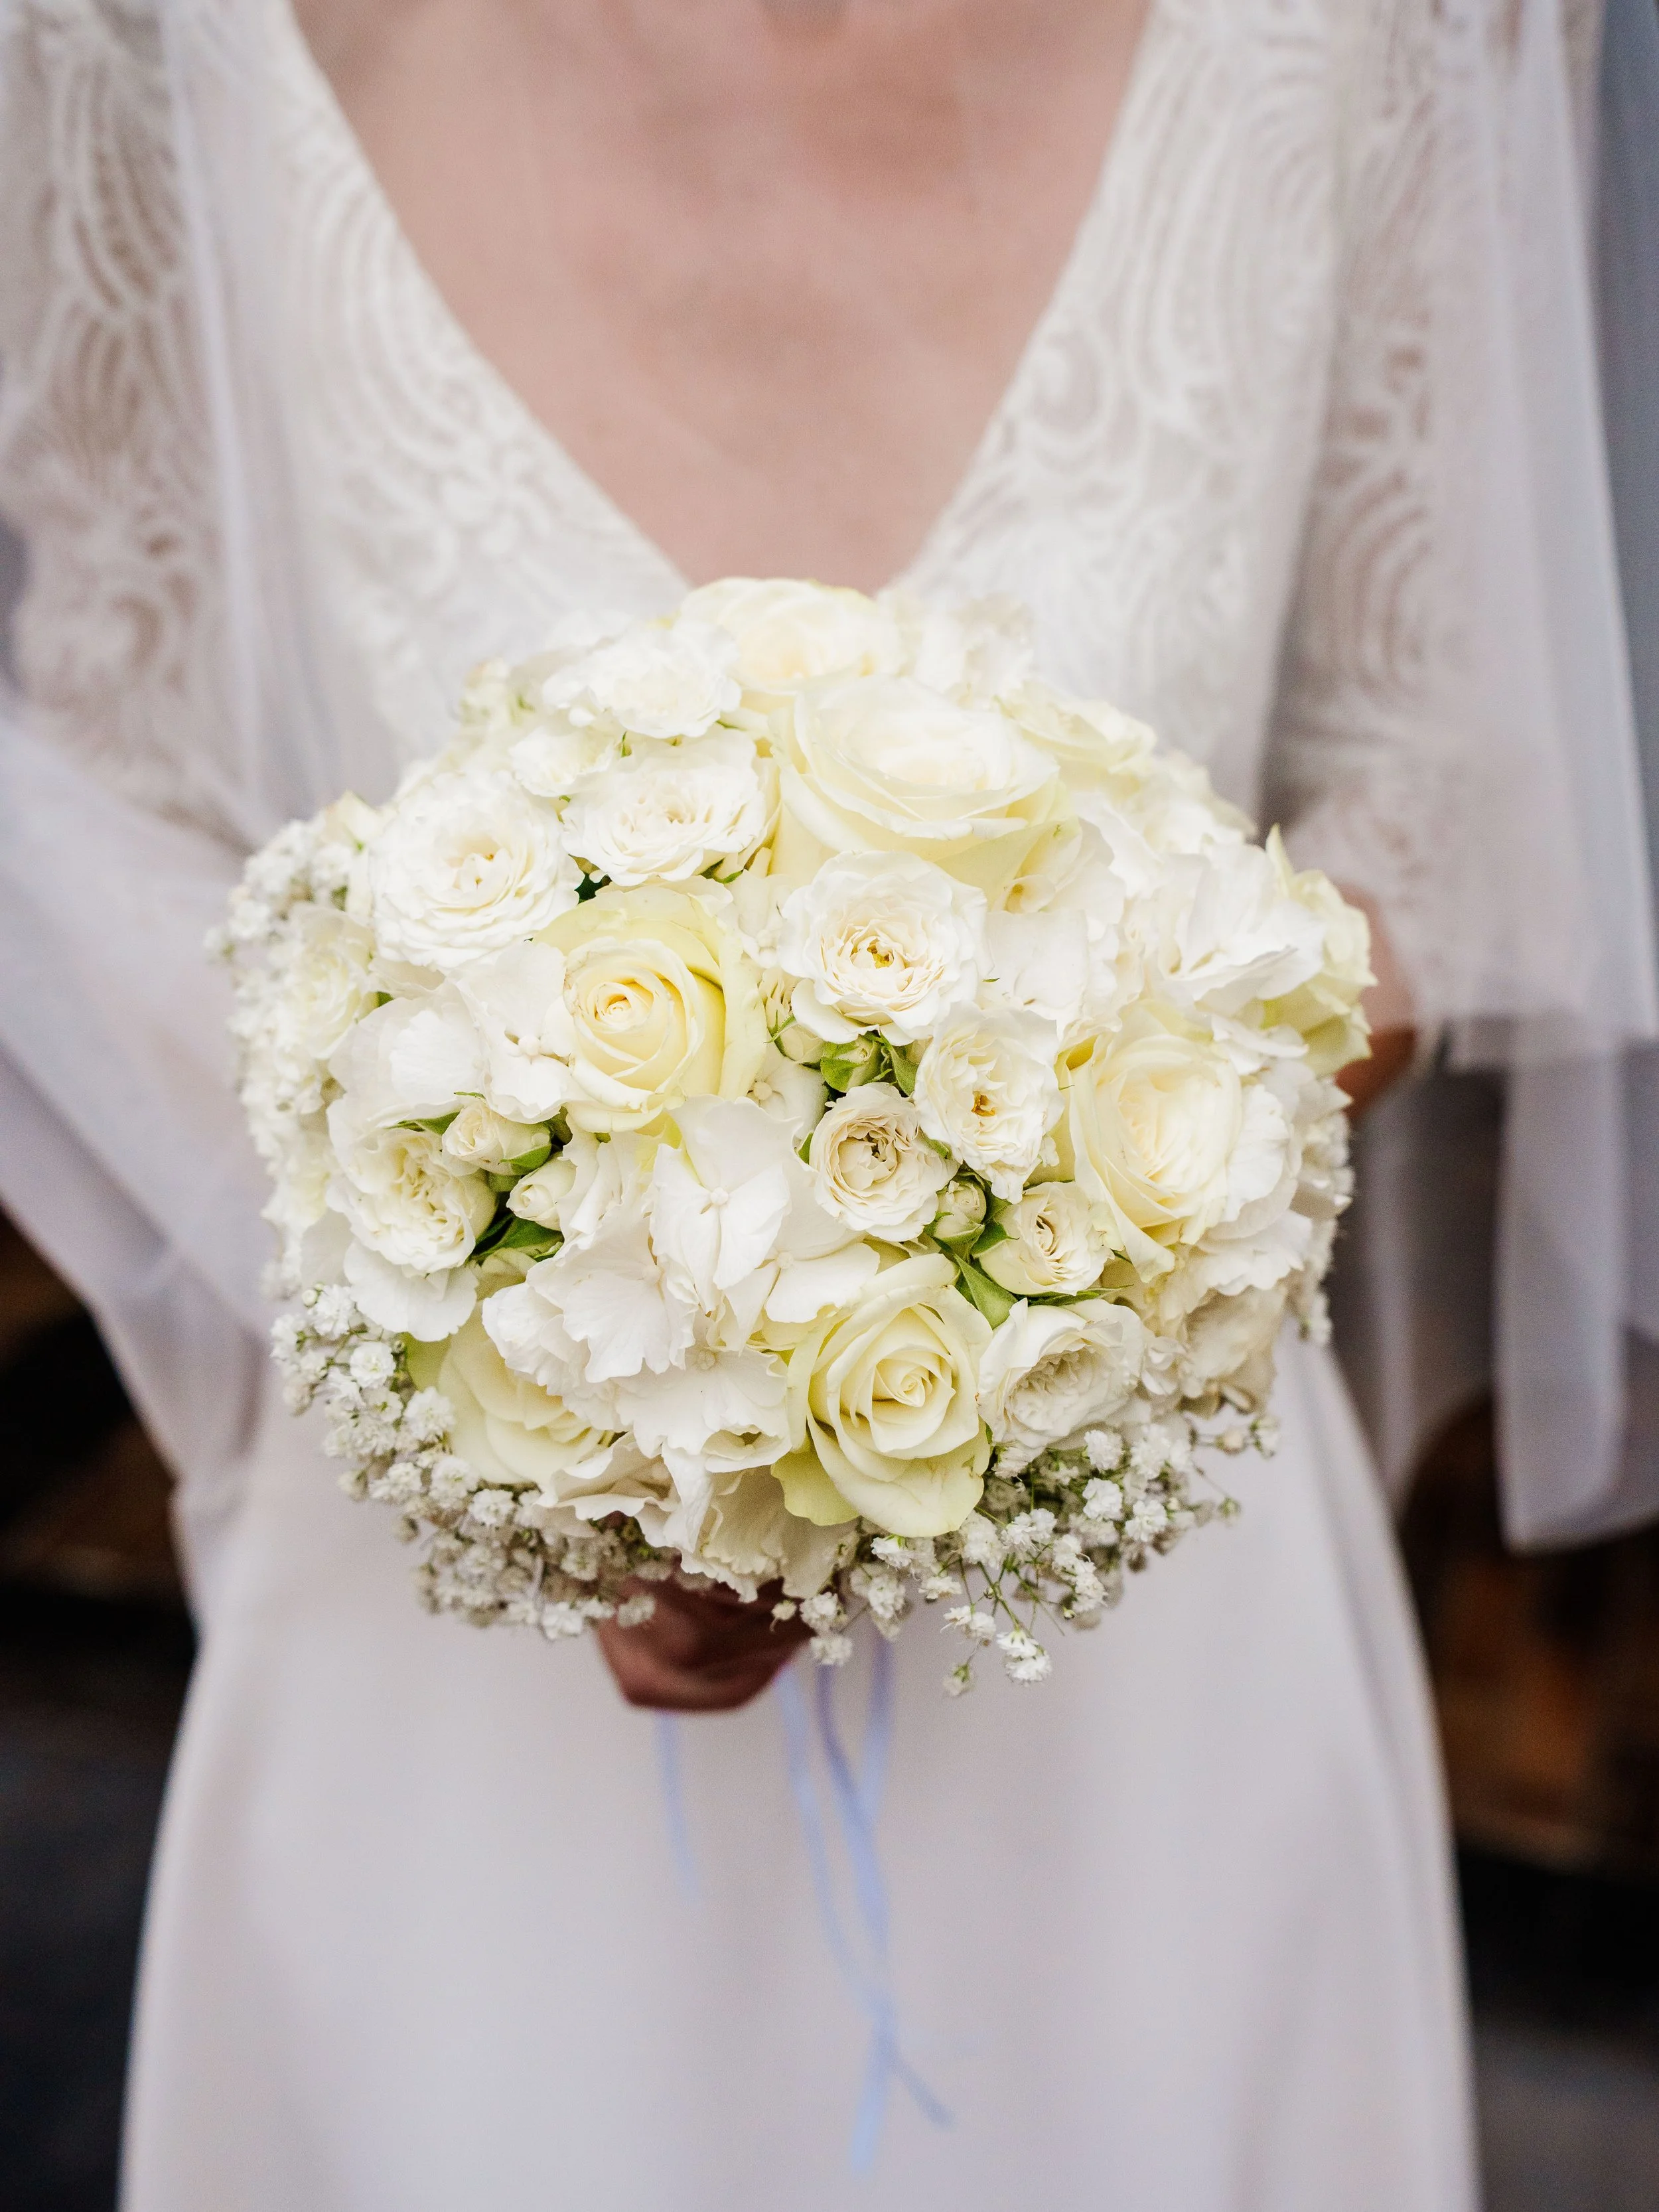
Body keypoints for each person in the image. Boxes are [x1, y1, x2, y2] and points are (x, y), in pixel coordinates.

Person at [0, 2, 1648, 2205]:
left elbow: (1438, 807)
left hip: (1131, 1656)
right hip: (462, 1662)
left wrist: (1019, 1268)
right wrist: (543, 1346)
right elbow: (99, 785)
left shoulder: (1389, 30)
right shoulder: (152, 34)